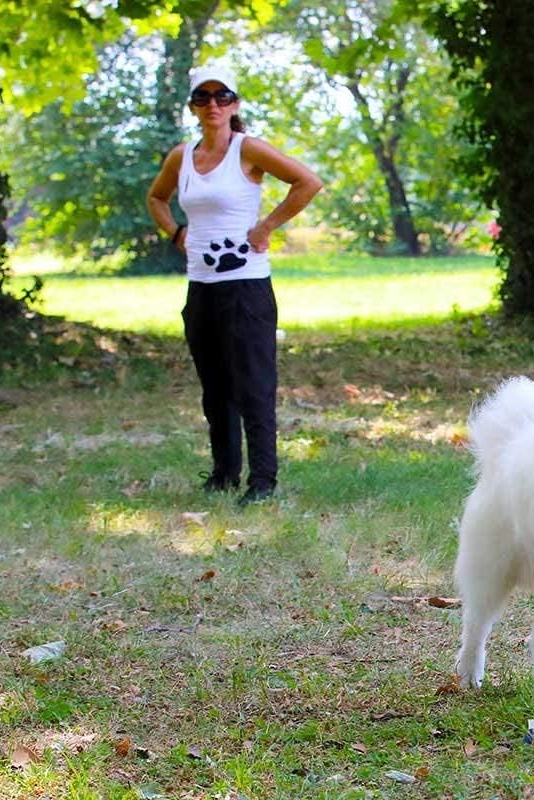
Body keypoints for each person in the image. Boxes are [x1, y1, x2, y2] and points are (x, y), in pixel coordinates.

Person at [147, 64, 322, 506]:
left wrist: (266, 227)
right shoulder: (182, 156)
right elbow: (156, 197)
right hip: (201, 287)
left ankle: (262, 481)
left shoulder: (248, 150)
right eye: (203, 98)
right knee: (215, 387)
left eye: (222, 97)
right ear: (192, 106)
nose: (213, 105)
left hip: (246, 289)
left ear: (234, 104)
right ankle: (224, 473)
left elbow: (307, 183)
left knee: (254, 386)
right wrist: (176, 233)